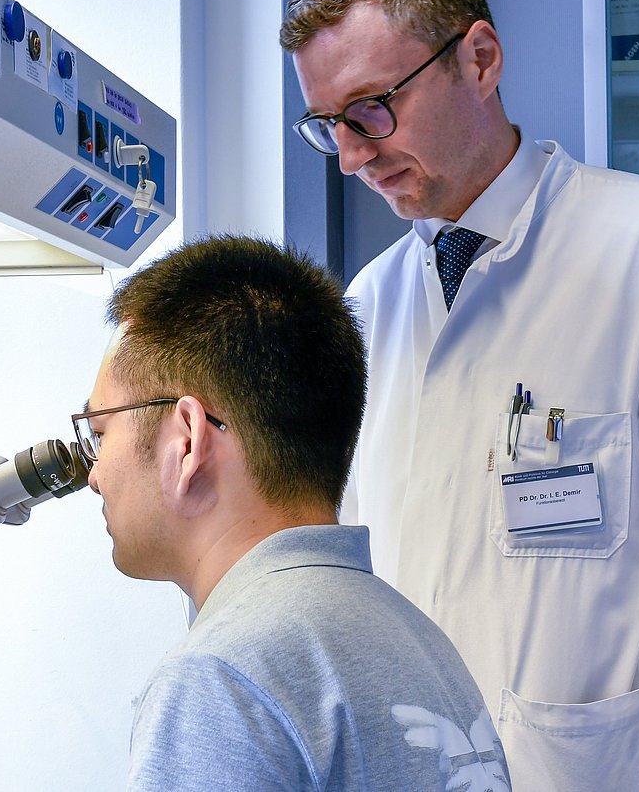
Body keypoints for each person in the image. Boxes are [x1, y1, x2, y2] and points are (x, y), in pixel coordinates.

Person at [280, 0, 639, 790]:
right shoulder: (366, 308)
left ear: (480, 60)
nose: (351, 157)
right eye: (327, 126)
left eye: (371, 110)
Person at [74, 234, 512, 792]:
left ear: (187, 443)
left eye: (99, 432)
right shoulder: (417, 643)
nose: (93, 473)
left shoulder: (222, 678)